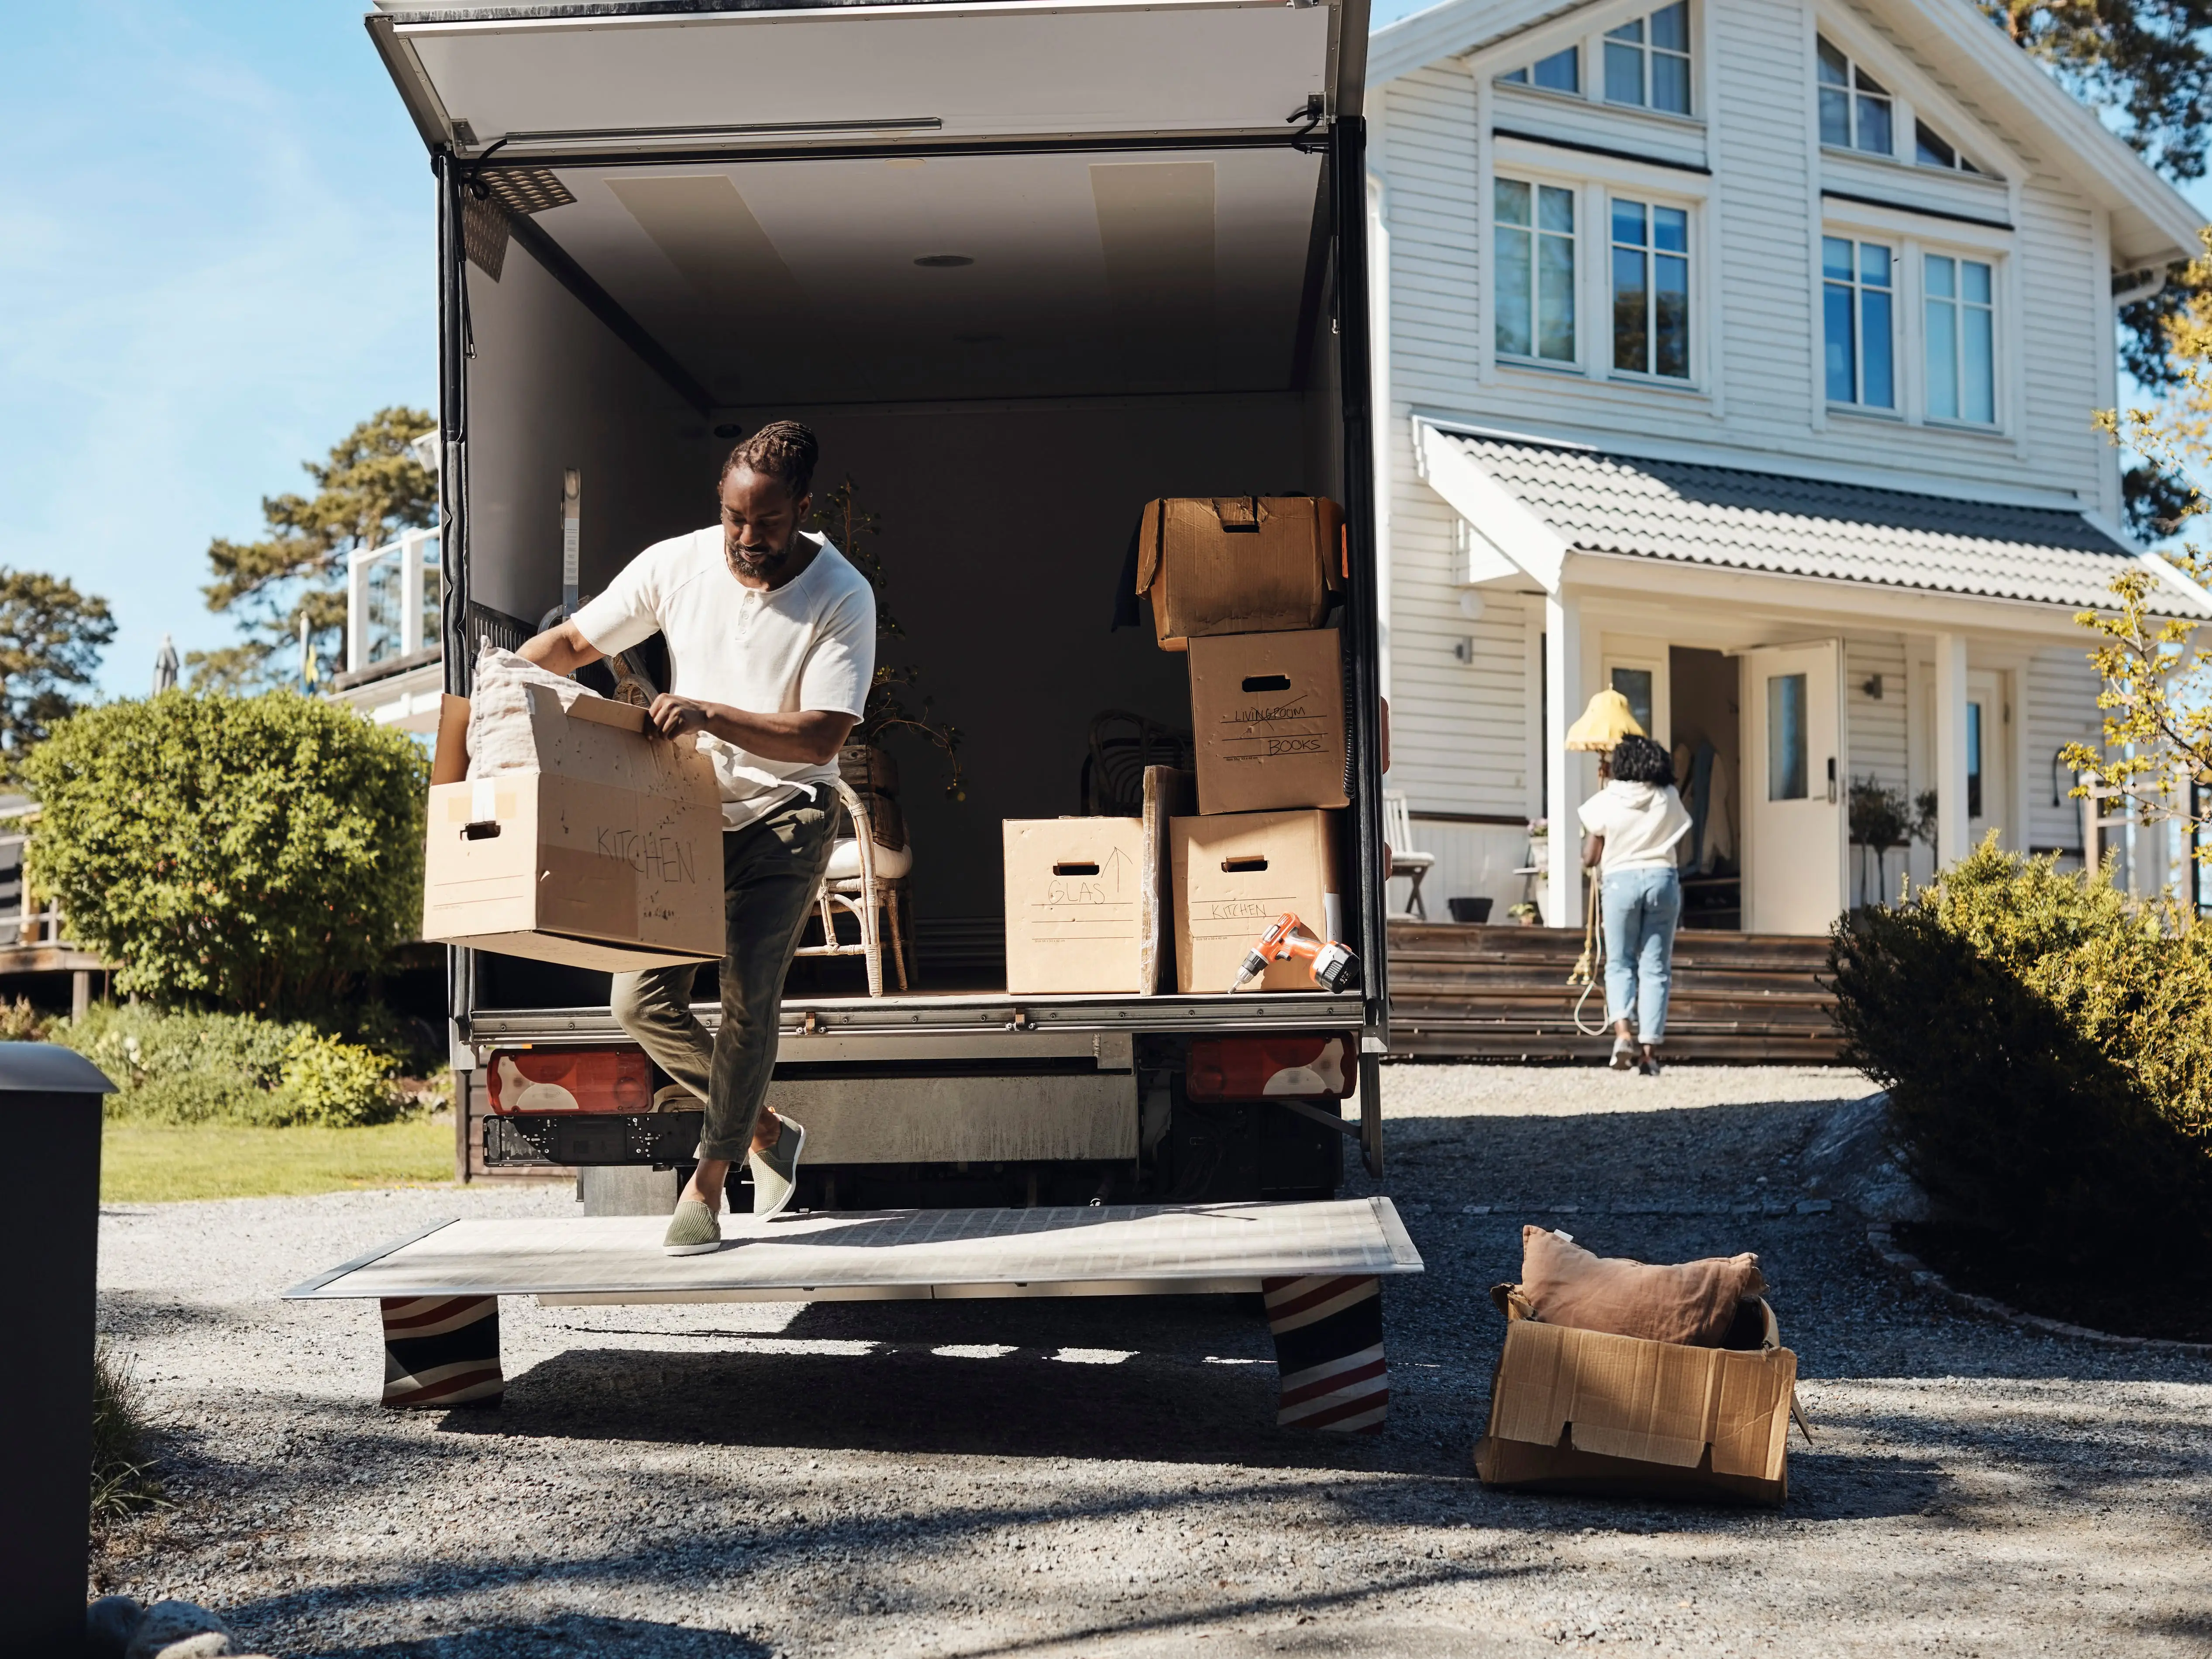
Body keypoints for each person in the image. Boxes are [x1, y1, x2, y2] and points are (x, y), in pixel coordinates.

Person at [519, 422, 877, 1254]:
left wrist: (709, 712)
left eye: (769, 523)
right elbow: (572, 644)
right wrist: (501, 690)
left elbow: (820, 739)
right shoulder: (675, 563)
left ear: (803, 510)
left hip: (788, 814)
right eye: (734, 520)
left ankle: (708, 1188)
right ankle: (761, 1130)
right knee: (636, 1000)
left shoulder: (841, 593)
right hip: (687, 810)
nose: (748, 540)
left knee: (751, 1001)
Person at [1578, 734, 1692, 1076]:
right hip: (1662, 879)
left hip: (1620, 882)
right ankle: (1648, 1055)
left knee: (1620, 963)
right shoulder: (1667, 796)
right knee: (1656, 967)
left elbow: (1590, 858)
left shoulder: (1606, 799)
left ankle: (1623, 1034)